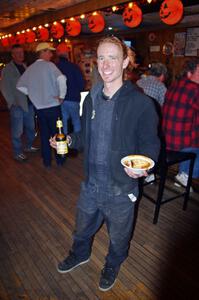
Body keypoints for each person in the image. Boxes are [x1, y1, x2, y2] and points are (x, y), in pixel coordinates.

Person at [50, 36, 160, 291]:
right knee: (81, 229)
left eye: (113, 57)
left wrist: (144, 165)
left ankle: (112, 263)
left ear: (125, 62)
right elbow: (84, 136)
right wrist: (66, 140)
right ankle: (80, 254)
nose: (106, 64)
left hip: (121, 188)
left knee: (119, 237)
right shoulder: (91, 98)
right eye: (101, 57)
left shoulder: (142, 103)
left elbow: (151, 145)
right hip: (91, 183)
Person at [17, 42, 67, 167]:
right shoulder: (50, 65)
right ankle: (60, 160)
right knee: (58, 134)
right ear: (42, 52)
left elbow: (20, 86)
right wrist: (62, 97)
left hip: (39, 108)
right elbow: (62, 79)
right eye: (49, 51)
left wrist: (33, 96)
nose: (51, 54)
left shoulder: (30, 68)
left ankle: (47, 162)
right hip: (53, 106)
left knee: (44, 135)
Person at [162, 58, 199, 188]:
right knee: (195, 140)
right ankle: (185, 174)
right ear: (189, 73)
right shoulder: (194, 89)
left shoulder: (174, 85)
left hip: (164, 140)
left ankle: (184, 173)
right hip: (179, 144)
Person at [0, 44, 38, 162]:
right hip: (17, 104)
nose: (20, 55)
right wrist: (11, 102)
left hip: (29, 104)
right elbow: (4, 87)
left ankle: (28, 146)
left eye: (21, 52)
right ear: (12, 55)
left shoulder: (25, 66)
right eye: (17, 53)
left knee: (31, 127)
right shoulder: (8, 69)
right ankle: (17, 152)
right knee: (17, 131)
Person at [56, 43, 85, 134]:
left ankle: (63, 144)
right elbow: (81, 84)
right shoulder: (74, 67)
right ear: (67, 54)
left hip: (60, 100)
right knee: (76, 121)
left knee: (63, 123)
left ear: (58, 54)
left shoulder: (55, 68)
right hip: (73, 99)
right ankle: (78, 144)